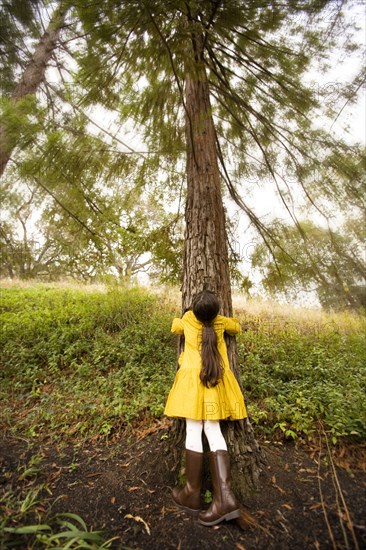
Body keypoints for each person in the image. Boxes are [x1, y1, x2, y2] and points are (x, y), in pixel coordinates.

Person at [164, 290, 247, 526]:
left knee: (193, 431)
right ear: (215, 312)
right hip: (214, 382)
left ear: (194, 310)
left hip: (192, 385)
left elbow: (174, 327)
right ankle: (225, 498)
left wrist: (184, 314)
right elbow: (237, 327)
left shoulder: (188, 320)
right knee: (213, 431)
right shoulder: (220, 322)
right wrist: (222, 319)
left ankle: (192, 493)